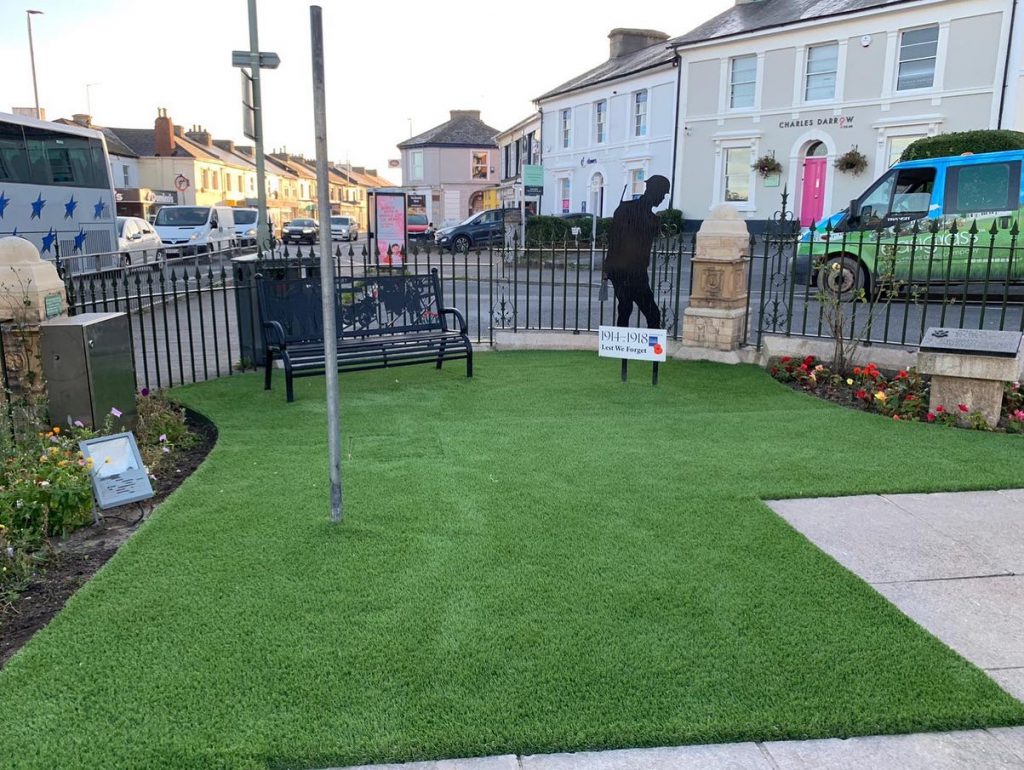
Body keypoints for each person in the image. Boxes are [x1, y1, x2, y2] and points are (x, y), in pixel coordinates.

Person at [602, 174, 670, 328]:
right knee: (651, 313)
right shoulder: (650, 218)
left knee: (625, 307)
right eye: (664, 194)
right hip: (632, 270)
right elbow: (617, 240)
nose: (663, 198)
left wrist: (607, 267)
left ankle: (621, 345)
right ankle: (651, 348)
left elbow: (613, 239)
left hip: (618, 268)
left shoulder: (625, 208)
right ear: (656, 192)